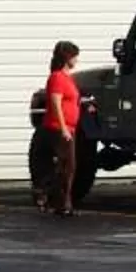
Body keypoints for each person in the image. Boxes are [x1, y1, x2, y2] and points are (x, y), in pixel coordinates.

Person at [38, 39, 84, 216]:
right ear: (68, 58)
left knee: (68, 167)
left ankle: (60, 201)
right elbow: (56, 103)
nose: (77, 60)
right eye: (75, 57)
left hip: (69, 128)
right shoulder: (57, 77)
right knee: (66, 167)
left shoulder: (67, 79)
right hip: (58, 128)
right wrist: (63, 127)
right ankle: (59, 202)